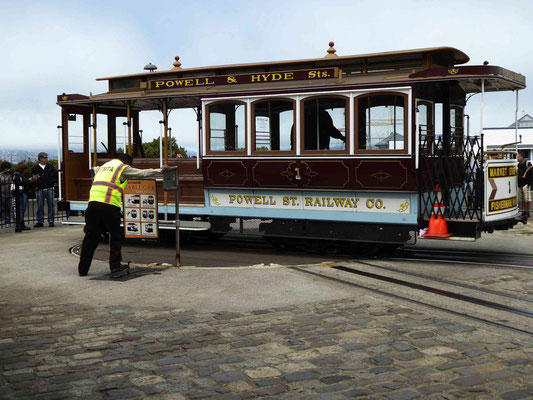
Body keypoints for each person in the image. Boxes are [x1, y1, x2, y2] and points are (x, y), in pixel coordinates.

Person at [78, 153, 169, 278]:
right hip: (109, 206)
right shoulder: (122, 168)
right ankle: (115, 267)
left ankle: (82, 269)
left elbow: (92, 170)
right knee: (115, 236)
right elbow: (141, 173)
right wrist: (160, 170)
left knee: (90, 238)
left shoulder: (104, 166)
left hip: (92, 205)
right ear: (127, 162)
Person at [30, 152, 58, 227]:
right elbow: (33, 178)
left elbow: (56, 175)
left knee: (51, 204)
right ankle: (40, 220)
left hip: (49, 188)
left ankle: (51, 220)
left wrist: (52, 182)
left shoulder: (50, 166)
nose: (46, 159)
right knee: (40, 205)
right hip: (40, 189)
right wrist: (36, 186)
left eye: (47, 157)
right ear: (40, 159)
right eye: (45, 157)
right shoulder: (35, 168)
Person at [14, 162, 32, 232]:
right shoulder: (19, 176)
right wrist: (28, 181)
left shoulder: (18, 175)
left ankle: (20, 223)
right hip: (22, 193)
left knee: (21, 209)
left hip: (22, 193)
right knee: (21, 209)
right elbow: (22, 184)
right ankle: (21, 224)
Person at [517, 151, 532, 222]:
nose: (517, 158)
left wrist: (529, 183)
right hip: (520, 184)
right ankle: (524, 211)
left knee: (527, 198)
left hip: (526, 183)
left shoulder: (528, 163)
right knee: (522, 199)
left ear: (522, 157)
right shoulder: (518, 165)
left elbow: (531, 172)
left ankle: (527, 211)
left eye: (518, 156)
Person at [0, 162, 14, 226]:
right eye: (7, 168)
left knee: (10, 206)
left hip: (9, 192)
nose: (8, 170)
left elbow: (12, 182)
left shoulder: (10, 174)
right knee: (3, 207)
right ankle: (5, 220)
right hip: (2, 192)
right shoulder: (0, 175)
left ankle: (10, 219)